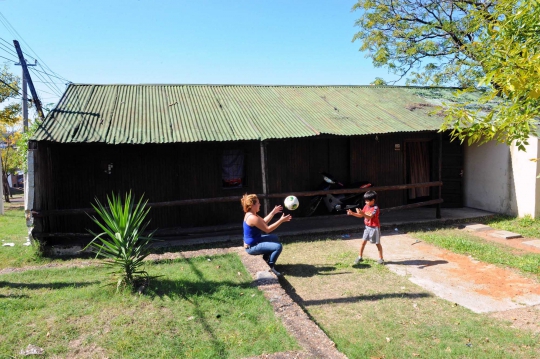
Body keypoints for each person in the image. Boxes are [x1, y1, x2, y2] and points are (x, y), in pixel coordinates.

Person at [241, 194, 291, 276]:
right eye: (258, 203)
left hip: (256, 241)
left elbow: (263, 222)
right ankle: (271, 266)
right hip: (252, 247)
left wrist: (273, 212)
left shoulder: (252, 214)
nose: (259, 204)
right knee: (278, 246)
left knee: (275, 238)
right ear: (252, 205)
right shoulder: (252, 217)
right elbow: (267, 229)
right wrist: (281, 221)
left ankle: (266, 259)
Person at [346, 190, 384, 265]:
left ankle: (381, 258)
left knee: (377, 243)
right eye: (365, 201)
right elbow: (360, 215)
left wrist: (363, 213)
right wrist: (352, 213)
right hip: (367, 227)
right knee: (363, 242)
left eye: (367, 201)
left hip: (374, 228)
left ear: (373, 200)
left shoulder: (375, 208)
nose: (366, 202)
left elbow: (370, 217)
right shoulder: (366, 206)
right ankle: (360, 257)